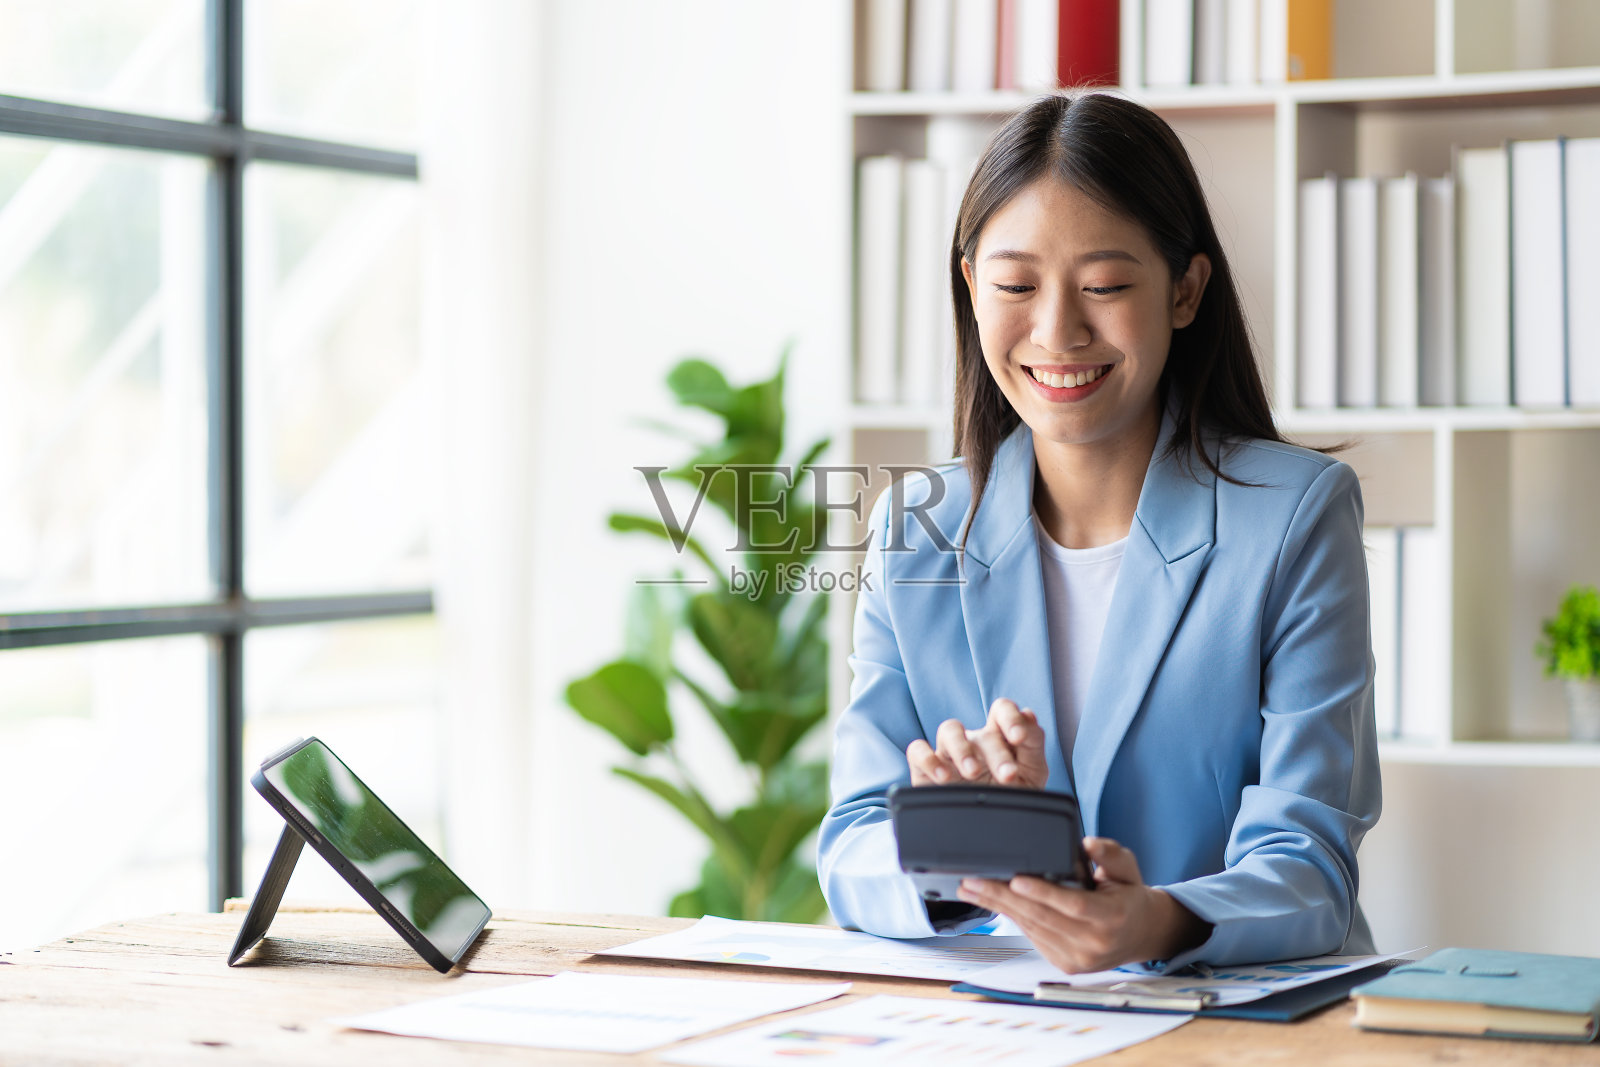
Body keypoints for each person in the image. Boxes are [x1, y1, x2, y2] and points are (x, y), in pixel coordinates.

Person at [817, 91, 1380, 974]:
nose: (1057, 332)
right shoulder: (915, 526)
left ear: (1185, 290)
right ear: (971, 290)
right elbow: (851, 839)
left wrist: (1156, 919)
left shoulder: (1295, 515)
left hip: (1225, 1025)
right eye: (1014, 286)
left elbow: (1311, 868)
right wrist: (961, 853)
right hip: (1002, 1024)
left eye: (1107, 286)